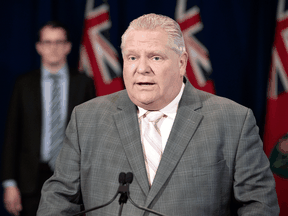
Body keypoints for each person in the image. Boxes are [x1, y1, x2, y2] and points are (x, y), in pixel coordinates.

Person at [37, 14, 279, 215]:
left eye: (155, 57)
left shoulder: (233, 120)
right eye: (132, 57)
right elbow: (58, 199)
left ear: (182, 63)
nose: (142, 69)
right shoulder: (86, 118)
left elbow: (260, 206)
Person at [1, 21, 95, 216]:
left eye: (59, 42)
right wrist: (9, 183)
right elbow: (12, 135)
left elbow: (92, 136)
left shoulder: (83, 83)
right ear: (39, 47)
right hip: (30, 181)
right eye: (48, 42)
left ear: (68, 47)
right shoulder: (24, 84)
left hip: (72, 179)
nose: (53, 47)